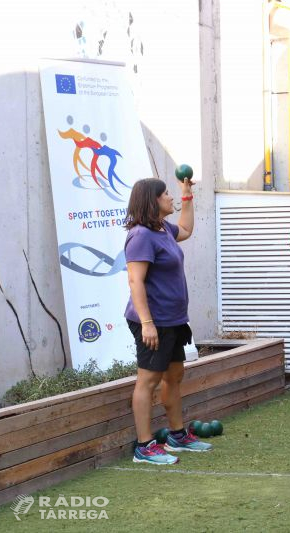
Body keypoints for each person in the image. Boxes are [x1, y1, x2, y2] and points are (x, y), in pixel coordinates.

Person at [125, 177, 211, 465]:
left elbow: (185, 229)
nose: (170, 198)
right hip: (153, 321)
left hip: (173, 319)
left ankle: (176, 435)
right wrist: (147, 323)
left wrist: (188, 197)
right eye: (166, 195)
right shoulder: (141, 236)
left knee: (173, 376)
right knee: (147, 381)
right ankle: (144, 446)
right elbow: (135, 281)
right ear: (153, 201)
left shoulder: (162, 230)